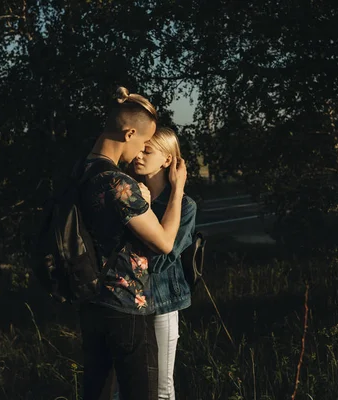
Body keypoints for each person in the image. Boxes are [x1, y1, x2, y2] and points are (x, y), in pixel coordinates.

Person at [78, 86, 187, 400]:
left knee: (97, 390)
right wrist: (177, 191)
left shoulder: (80, 171)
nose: (139, 152)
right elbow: (166, 242)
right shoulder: (119, 183)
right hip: (125, 304)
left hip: (88, 299)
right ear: (129, 133)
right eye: (142, 142)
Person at [132, 127, 197, 399]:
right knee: (126, 385)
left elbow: (161, 260)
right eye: (138, 148)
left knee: (161, 386)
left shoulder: (186, 205)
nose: (138, 155)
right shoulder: (129, 197)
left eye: (147, 151)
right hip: (129, 303)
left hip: (163, 303)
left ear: (167, 160)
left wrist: (149, 210)